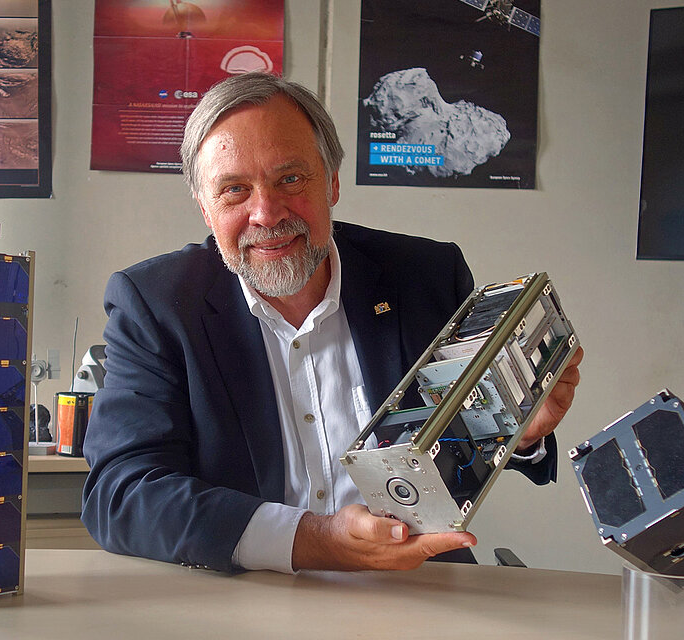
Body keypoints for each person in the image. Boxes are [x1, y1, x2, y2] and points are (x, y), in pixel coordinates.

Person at [81, 72, 583, 573]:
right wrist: (312, 540)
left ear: (333, 181)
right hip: (244, 601)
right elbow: (121, 494)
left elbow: (460, 446)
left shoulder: (427, 276)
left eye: (291, 179)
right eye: (234, 189)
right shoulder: (156, 304)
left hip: (419, 587)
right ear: (205, 207)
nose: (266, 213)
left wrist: (514, 434)